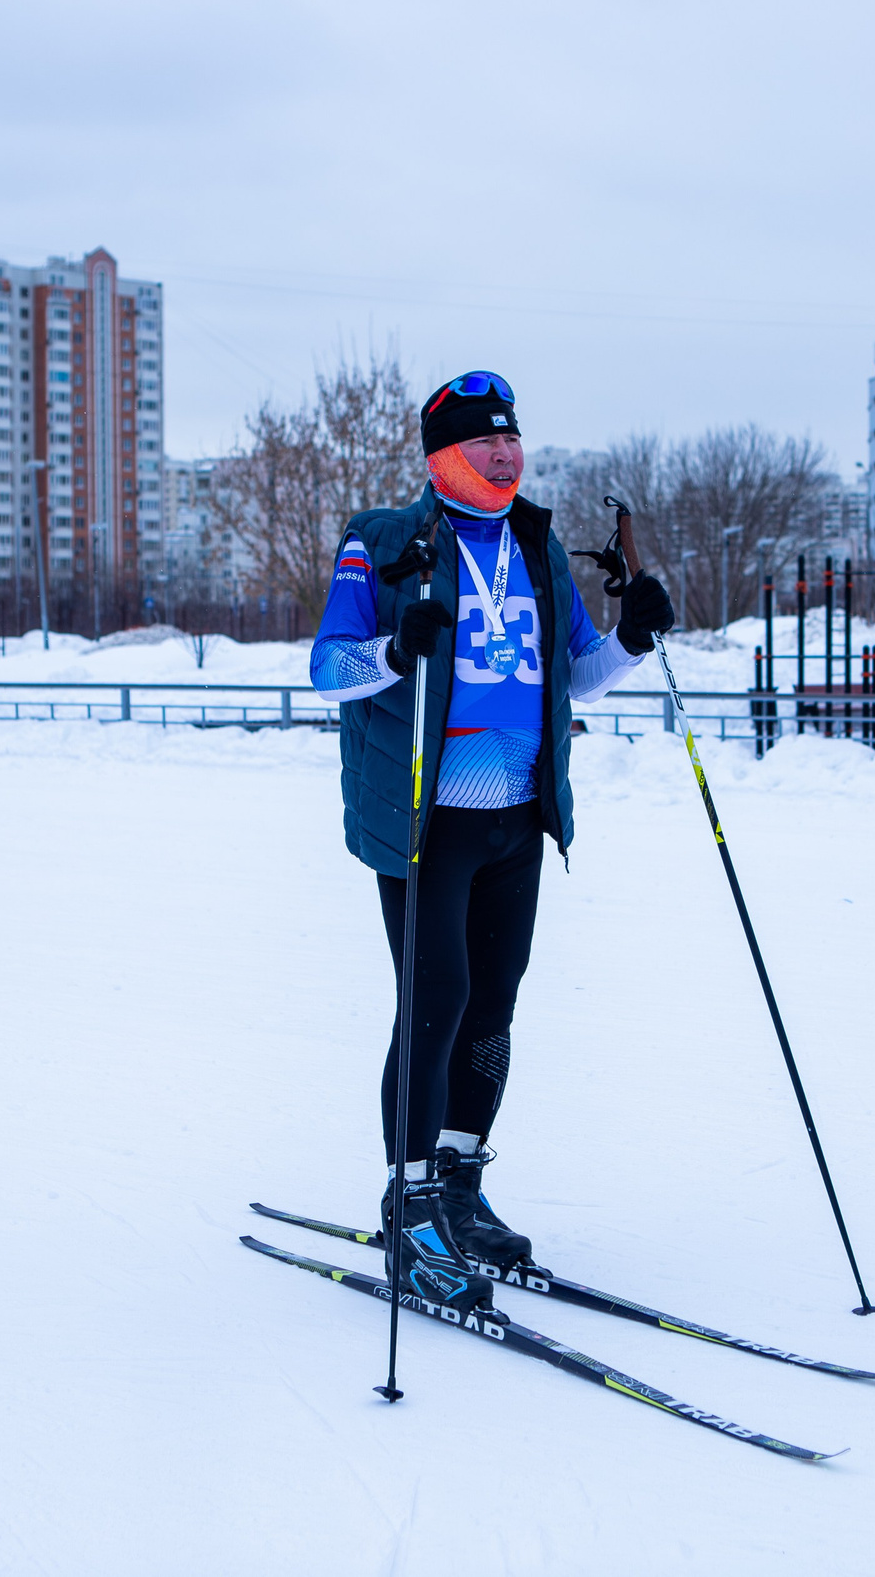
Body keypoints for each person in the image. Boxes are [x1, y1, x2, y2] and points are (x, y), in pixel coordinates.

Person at [310, 371, 674, 1312]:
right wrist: (397, 649)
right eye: (485, 443)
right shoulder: (385, 540)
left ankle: (461, 1184)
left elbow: (577, 676)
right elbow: (327, 666)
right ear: (443, 456)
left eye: (513, 440)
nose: (506, 454)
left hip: (519, 814)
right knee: (436, 1001)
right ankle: (411, 1201)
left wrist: (632, 639)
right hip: (428, 818)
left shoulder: (537, 545)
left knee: (493, 1008)